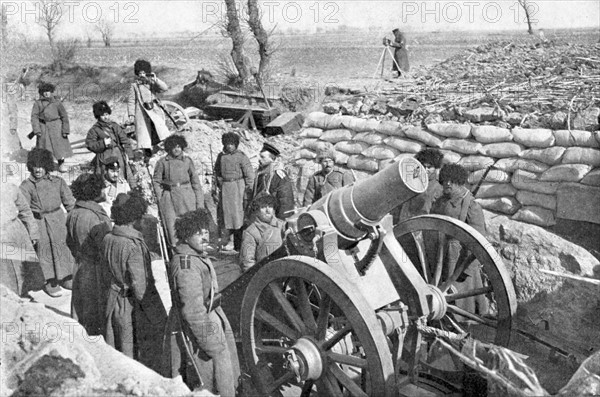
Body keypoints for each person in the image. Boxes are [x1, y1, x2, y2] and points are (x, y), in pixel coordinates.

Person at [169, 209, 239, 395]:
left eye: (206, 231)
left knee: (223, 370)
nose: (204, 236)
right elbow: (193, 312)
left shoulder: (196, 255)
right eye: (198, 233)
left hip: (211, 316)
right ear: (185, 236)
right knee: (208, 377)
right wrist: (211, 343)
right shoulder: (187, 265)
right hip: (201, 325)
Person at [102, 192, 168, 374]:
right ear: (133, 218)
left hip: (114, 302)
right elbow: (141, 288)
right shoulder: (133, 245)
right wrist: (158, 316)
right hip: (131, 308)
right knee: (134, 361)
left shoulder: (108, 238)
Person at [430, 164, 488, 318]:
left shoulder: (470, 205)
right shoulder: (440, 201)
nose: (447, 184)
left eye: (452, 181)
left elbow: (478, 240)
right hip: (439, 255)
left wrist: (467, 268)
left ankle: (462, 322)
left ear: (460, 182)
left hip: (460, 259)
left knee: (462, 297)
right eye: (445, 180)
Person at [20, 148, 76, 297]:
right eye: (35, 166)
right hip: (40, 222)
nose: (38, 170)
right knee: (45, 252)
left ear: (47, 166)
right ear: (30, 166)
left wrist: (74, 218)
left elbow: (69, 203)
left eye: (41, 166)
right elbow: (23, 209)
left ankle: (66, 276)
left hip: (58, 220)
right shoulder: (27, 186)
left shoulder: (58, 182)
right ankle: (50, 281)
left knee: (62, 248)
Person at [66, 173, 112, 336]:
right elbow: (105, 245)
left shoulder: (73, 212)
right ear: (94, 191)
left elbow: (69, 242)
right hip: (95, 267)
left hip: (80, 265)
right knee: (95, 312)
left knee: (82, 308)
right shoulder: (93, 216)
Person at [153, 135, 205, 247]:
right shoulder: (163, 162)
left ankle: (192, 248)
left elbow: (195, 182)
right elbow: (156, 181)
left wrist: (199, 202)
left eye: (179, 146)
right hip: (169, 197)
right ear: (169, 148)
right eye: (173, 147)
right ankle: (176, 249)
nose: (176, 149)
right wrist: (161, 197)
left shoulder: (187, 161)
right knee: (172, 225)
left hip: (187, 196)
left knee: (190, 223)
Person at [214, 132, 255, 252]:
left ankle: (238, 242)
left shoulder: (241, 156)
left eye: (232, 144)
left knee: (238, 216)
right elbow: (216, 172)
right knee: (226, 215)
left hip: (238, 188)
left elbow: (249, 175)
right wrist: (216, 186)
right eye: (227, 144)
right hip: (226, 189)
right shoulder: (220, 156)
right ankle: (228, 239)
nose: (230, 146)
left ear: (236, 144)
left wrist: (248, 191)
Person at [1, 183, 40, 296]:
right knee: (5, 274)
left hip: (15, 231)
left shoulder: (9, 187)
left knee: (22, 268)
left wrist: (33, 232)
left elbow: (25, 211)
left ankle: (23, 293)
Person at [86, 101, 135, 187]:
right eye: (103, 115)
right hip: (104, 156)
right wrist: (103, 143)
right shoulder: (94, 130)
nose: (106, 117)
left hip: (118, 154)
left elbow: (125, 141)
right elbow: (90, 145)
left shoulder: (114, 126)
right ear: (98, 116)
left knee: (122, 176)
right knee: (105, 180)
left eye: (107, 114)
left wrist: (130, 156)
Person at [127, 59, 170, 155]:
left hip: (153, 109)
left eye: (144, 72)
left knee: (160, 128)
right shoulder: (134, 85)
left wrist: (156, 80)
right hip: (141, 112)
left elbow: (164, 88)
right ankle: (147, 151)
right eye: (140, 73)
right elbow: (131, 101)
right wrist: (131, 114)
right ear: (137, 73)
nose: (142, 75)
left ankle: (164, 147)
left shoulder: (152, 82)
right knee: (144, 133)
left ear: (147, 72)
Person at [392, 148, 444, 224]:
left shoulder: (438, 187)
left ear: (436, 168)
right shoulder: (412, 181)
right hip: (404, 223)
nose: (425, 170)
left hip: (422, 225)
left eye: (429, 167)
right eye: (423, 166)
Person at [30, 82, 72, 173]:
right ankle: (47, 165)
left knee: (59, 147)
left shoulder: (57, 103)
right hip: (43, 127)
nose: (46, 93)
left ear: (51, 92)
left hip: (56, 127)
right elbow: (34, 117)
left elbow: (64, 116)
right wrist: (36, 129)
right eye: (44, 91)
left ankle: (61, 164)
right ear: (41, 92)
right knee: (44, 147)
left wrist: (65, 129)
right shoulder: (38, 103)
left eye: (48, 91)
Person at [240, 195, 286, 272]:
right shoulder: (251, 232)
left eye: (270, 206)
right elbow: (248, 263)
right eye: (263, 207)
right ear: (257, 210)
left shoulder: (282, 226)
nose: (268, 210)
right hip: (264, 277)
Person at [250, 142, 295, 220]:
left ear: (272, 159)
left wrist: (281, 221)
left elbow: (285, 201)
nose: (259, 159)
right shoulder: (260, 173)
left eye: (262, 157)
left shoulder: (279, 176)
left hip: (273, 218)